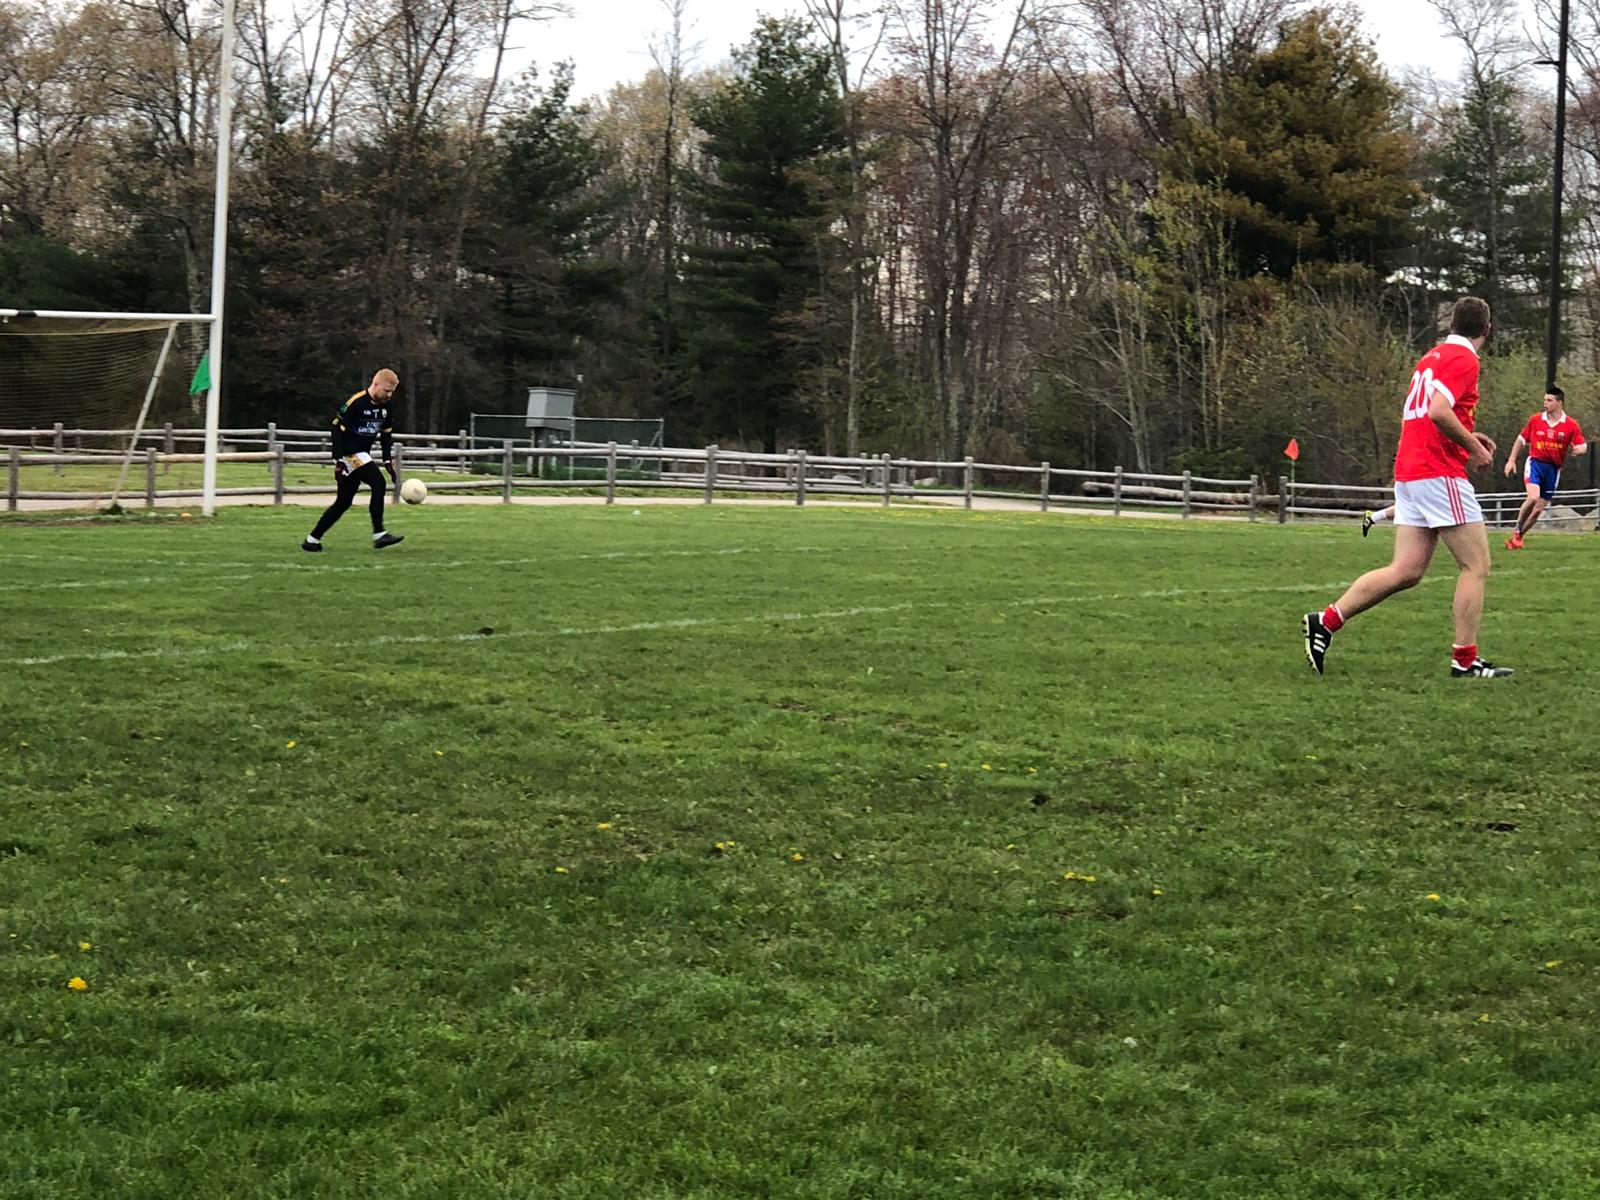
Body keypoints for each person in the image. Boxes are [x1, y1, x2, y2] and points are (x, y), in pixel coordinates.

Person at [1302, 297, 1511, 678]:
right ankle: (1465, 661)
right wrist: (1474, 448)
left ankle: (1326, 620)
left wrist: (1467, 435)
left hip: (1411, 470)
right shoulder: (1465, 359)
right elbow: (1438, 411)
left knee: (1407, 570)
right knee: (1476, 566)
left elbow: (1430, 415)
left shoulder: (1431, 357)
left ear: (1452, 324)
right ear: (1487, 330)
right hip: (1438, 472)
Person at [301, 369, 405, 552]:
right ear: (375, 385)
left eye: (392, 392)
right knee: (378, 483)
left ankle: (312, 540)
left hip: (362, 455)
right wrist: (338, 460)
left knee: (343, 502)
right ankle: (379, 534)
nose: (389, 395)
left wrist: (388, 461)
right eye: (387, 391)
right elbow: (336, 428)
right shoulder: (356, 402)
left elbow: (386, 435)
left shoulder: (386, 407)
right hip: (350, 454)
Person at [1502, 386, 1586, 549]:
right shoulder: (1536, 420)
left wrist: (1579, 450)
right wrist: (1511, 461)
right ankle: (1518, 529)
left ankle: (1518, 538)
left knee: (1538, 510)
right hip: (1535, 464)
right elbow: (1521, 440)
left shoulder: (1570, 425)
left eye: (1549, 400)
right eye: (1545, 400)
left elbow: (1582, 445)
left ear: (1559, 403)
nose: (1545, 403)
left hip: (1553, 470)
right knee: (1533, 498)